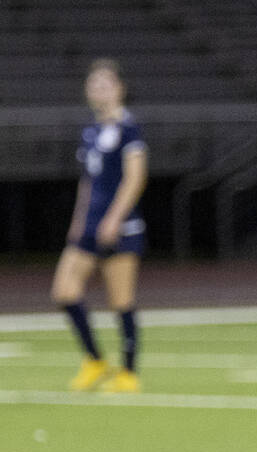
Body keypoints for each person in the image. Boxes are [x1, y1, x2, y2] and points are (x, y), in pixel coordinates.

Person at [52, 58, 148, 393]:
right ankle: (94, 359)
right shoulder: (90, 131)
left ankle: (128, 373)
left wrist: (114, 218)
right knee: (64, 291)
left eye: (106, 84)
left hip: (121, 227)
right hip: (90, 225)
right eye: (94, 84)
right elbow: (88, 182)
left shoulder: (128, 128)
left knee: (121, 300)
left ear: (120, 89)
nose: (99, 89)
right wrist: (79, 221)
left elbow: (135, 178)